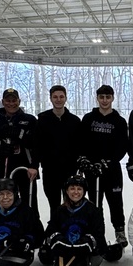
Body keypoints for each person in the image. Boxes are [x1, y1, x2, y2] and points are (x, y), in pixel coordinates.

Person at [40, 175, 106, 266]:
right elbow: (51, 229)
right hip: (65, 249)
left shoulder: (92, 210)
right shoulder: (60, 210)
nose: (76, 192)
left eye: (79, 189)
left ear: (84, 191)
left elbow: (98, 233)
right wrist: (57, 240)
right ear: (66, 191)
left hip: (83, 251)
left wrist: (87, 242)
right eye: (72, 188)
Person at [78, 84, 130, 246]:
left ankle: (120, 231)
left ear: (112, 98)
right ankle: (96, 232)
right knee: (94, 202)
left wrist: (108, 161)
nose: (105, 100)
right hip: (92, 170)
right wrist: (85, 159)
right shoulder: (88, 119)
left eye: (108, 97)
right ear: (97, 98)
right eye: (102, 97)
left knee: (115, 201)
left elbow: (122, 146)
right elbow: (82, 142)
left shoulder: (119, 121)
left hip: (111, 170)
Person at [0, 87, 39, 214]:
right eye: (8, 100)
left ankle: (32, 231)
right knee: (4, 202)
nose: (11, 103)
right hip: (3, 171)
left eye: (14, 100)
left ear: (19, 101)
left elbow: (37, 145)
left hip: (26, 171)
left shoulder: (30, 120)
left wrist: (20, 134)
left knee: (29, 205)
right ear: (3, 102)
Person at [35, 85, 82, 216]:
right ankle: (55, 231)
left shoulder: (74, 121)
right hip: (50, 170)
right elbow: (37, 145)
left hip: (70, 169)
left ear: (66, 98)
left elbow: (79, 145)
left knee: (72, 202)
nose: (58, 100)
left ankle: (72, 229)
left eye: (61, 97)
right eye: (55, 97)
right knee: (54, 204)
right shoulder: (43, 120)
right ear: (50, 98)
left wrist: (79, 164)